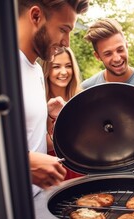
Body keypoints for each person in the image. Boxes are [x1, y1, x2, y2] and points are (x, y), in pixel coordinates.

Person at [17, 0, 89, 195]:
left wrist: (43, 112)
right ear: (35, 16)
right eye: (64, 30)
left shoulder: (38, 70)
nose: (67, 42)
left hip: (38, 201)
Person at [81, 18, 134, 173]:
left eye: (120, 49)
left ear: (127, 45)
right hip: (101, 174)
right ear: (97, 56)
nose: (116, 58)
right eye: (108, 53)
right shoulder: (87, 90)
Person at [41, 46, 84, 179]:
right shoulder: (39, 104)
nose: (64, 72)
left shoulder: (82, 99)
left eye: (68, 66)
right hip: (52, 174)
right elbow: (37, 144)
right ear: (46, 69)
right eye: (56, 67)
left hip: (81, 173)